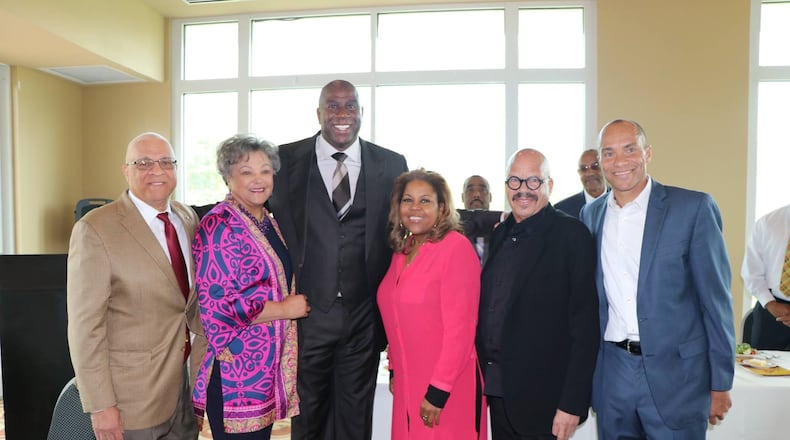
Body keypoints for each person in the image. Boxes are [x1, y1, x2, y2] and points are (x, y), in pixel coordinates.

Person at [267, 79, 408, 440]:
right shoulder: (283, 161)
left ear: (362, 112)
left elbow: (420, 214)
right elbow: (248, 203)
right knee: (309, 415)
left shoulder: (392, 164)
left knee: (355, 416)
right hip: (308, 313)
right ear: (319, 113)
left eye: (350, 106)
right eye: (333, 105)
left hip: (364, 316)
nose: (342, 114)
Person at [580, 119, 735, 438]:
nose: (619, 162)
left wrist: (720, 382)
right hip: (614, 375)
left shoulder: (692, 208)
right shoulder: (591, 215)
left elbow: (715, 302)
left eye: (629, 149)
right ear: (600, 161)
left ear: (647, 153)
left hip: (678, 377)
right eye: (608, 153)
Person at [67, 132, 200, 440]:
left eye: (166, 162)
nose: (157, 170)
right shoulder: (95, 230)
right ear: (125, 170)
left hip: (185, 386)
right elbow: (85, 328)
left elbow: (187, 305)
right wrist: (101, 406)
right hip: (132, 400)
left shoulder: (186, 218)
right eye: (143, 163)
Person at [191, 135, 309, 439]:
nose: (258, 180)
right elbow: (218, 308)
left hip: (263, 374)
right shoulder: (219, 225)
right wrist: (285, 309)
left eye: (265, 170)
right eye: (246, 172)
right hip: (236, 377)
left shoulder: (267, 221)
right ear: (228, 177)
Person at [477, 149, 599, 440]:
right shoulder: (501, 234)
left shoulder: (572, 235)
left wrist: (572, 403)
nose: (523, 191)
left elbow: (585, 327)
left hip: (546, 400)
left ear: (549, 185)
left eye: (533, 181)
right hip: (498, 392)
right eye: (515, 181)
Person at [378, 169, 487, 439]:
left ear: (442, 207)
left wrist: (439, 390)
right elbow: (396, 317)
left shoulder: (456, 249)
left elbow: (461, 330)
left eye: (425, 201)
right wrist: (394, 368)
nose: (415, 208)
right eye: (407, 200)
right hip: (407, 385)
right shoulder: (402, 251)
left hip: (446, 389)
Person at [741, 203, 790, 350]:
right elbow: (751, 272)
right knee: (763, 369)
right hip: (771, 311)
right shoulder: (767, 223)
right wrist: (770, 304)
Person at [458, 175, 502, 264]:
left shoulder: (502, 230)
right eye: (470, 190)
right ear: (463, 197)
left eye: (482, 190)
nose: (476, 194)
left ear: (490, 197)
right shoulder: (453, 229)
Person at [554, 149, 607, 219]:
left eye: (595, 166)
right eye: (584, 168)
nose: (589, 173)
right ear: (579, 173)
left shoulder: (620, 202)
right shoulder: (561, 210)